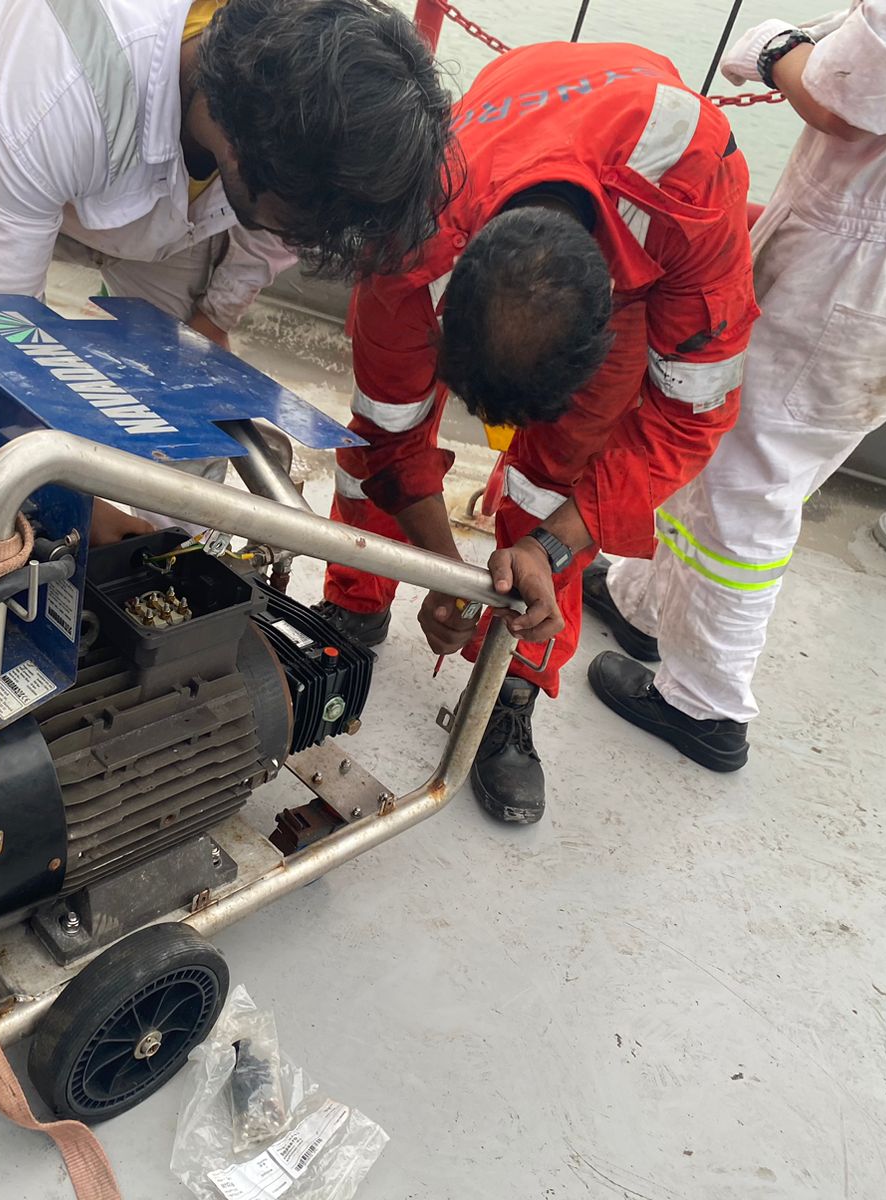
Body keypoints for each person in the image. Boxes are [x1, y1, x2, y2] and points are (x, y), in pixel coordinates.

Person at [317, 42, 758, 825]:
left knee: (556, 475)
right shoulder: (404, 240)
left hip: (638, 203)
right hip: (491, 172)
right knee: (374, 441)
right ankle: (356, 601)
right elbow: (389, 441)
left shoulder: (693, 183)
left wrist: (551, 544)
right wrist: (445, 572)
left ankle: (510, 684)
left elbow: (691, 413)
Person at [585, 2, 886, 771]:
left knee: (749, 470)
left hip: (868, 247)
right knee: (747, 446)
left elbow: (850, 100)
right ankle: (648, 605)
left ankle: (705, 703)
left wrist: (776, 48)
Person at [0, 0, 452, 349]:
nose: (296, 242)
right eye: (294, 224)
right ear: (238, 151)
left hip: (186, 195)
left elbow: (275, 235)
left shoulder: (303, 112)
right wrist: (74, 501)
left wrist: (214, 317)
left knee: (184, 378)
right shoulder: (57, 85)